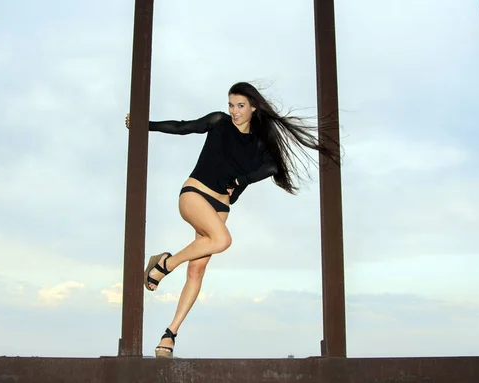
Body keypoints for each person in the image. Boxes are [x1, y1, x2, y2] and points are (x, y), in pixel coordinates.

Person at [125, 81, 340, 358]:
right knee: (222, 240)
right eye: (231, 105)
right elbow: (182, 127)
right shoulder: (219, 122)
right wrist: (145, 124)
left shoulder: (259, 144)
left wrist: (242, 180)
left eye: (240, 106)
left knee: (197, 271)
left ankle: (170, 334)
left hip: (220, 207)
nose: (234, 111)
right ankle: (166, 264)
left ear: (253, 107)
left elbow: (272, 166)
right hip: (194, 193)